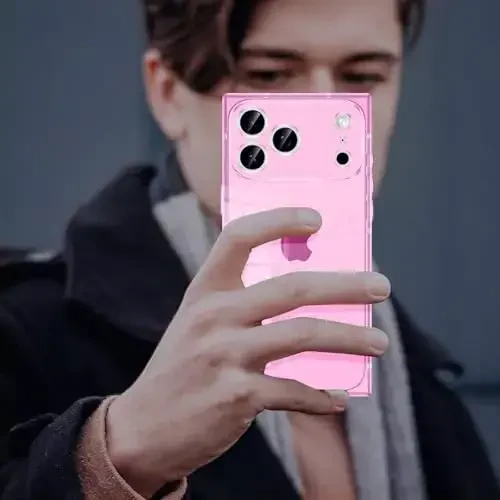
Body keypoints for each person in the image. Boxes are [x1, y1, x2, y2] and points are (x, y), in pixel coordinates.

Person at [0, 0, 498, 499]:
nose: (323, 111)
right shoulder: (26, 334)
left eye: (362, 76)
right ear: (167, 91)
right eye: (268, 75)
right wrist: (116, 456)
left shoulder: (418, 374)